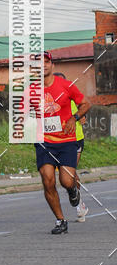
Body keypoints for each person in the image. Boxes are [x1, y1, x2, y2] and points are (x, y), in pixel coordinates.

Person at [34, 53, 91, 234]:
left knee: (66, 180)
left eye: (46, 62)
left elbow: (85, 104)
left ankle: (73, 190)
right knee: (47, 180)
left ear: (52, 65)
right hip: (44, 141)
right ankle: (60, 220)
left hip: (66, 141)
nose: (43, 65)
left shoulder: (67, 86)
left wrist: (74, 119)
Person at [52, 73, 87, 222]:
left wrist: (80, 117)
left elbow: (84, 110)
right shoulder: (50, 100)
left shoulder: (72, 96)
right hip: (56, 142)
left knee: (69, 173)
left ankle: (79, 205)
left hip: (75, 140)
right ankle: (78, 200)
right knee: (66, 174)